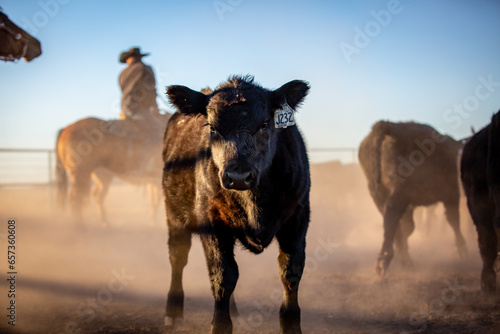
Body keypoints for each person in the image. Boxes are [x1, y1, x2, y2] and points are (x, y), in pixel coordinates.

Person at [118, 47, 163, 174]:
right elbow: (151, 90)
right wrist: (155, 108)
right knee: (157, 130)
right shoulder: (145, 68)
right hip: (138, 110)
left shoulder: (122, 73)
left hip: (125, 109)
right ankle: (146, 164)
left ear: (129, 58)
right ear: (138, 57)